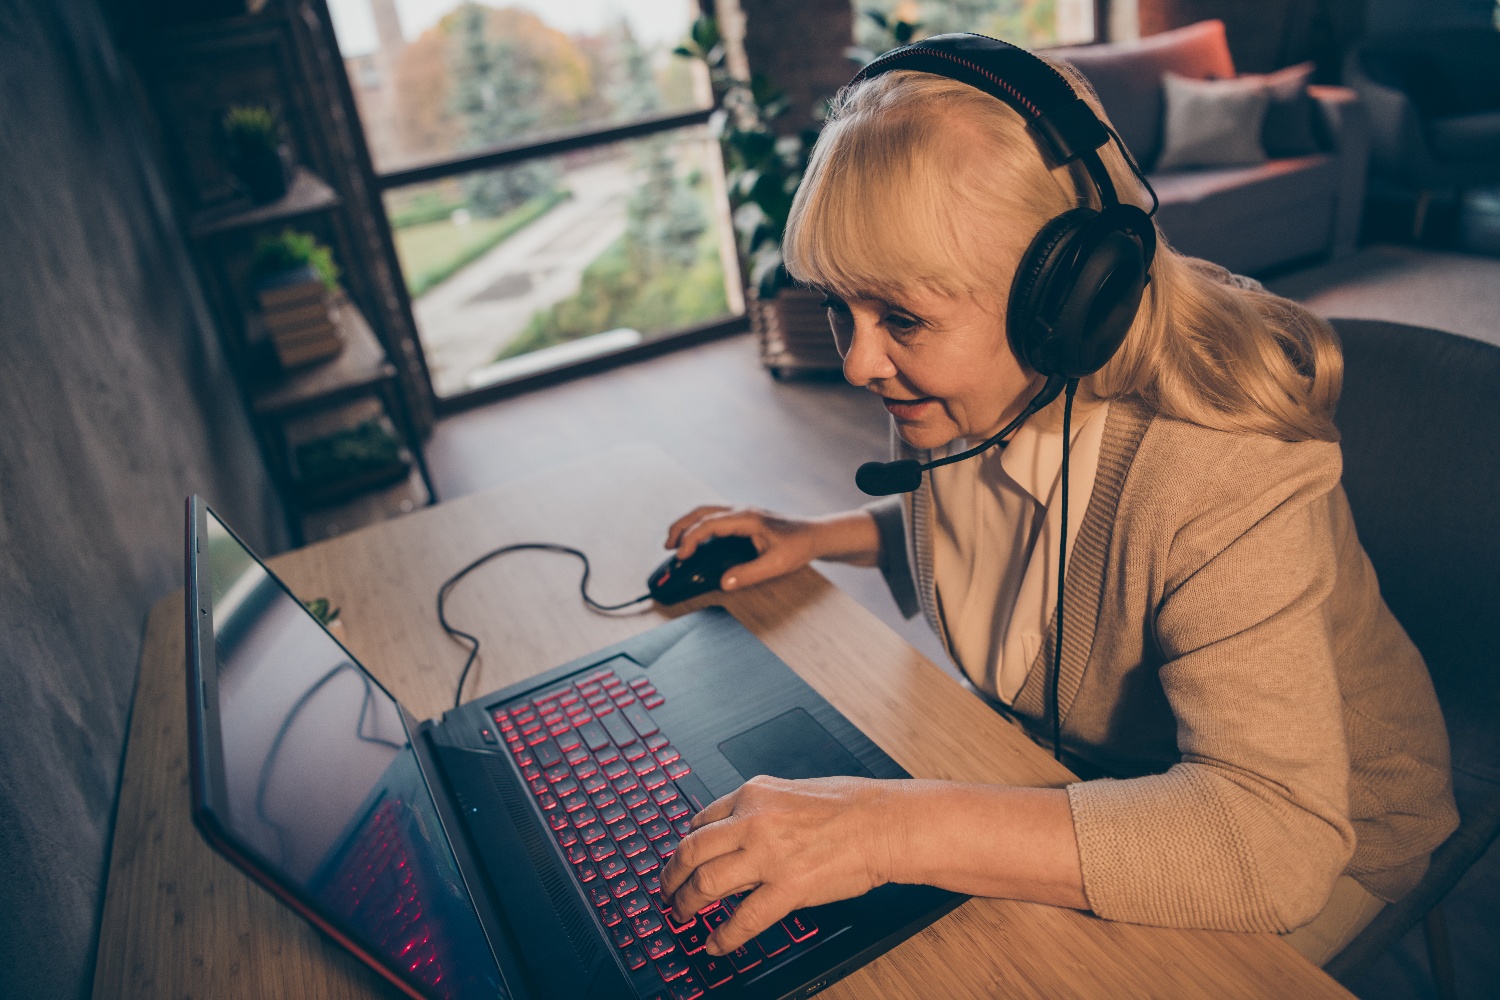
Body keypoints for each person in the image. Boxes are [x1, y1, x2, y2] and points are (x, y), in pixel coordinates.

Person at [657, 41, 1458, 967]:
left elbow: (1273, 843)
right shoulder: (960, 390)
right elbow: (1004, 532)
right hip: (1110, 779)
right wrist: (823, 536)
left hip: (1330, 831)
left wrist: (883, 831)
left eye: (901, 319)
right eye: (845, 307)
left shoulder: (1222, 470)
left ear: (1069, 294)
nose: (857, 362)